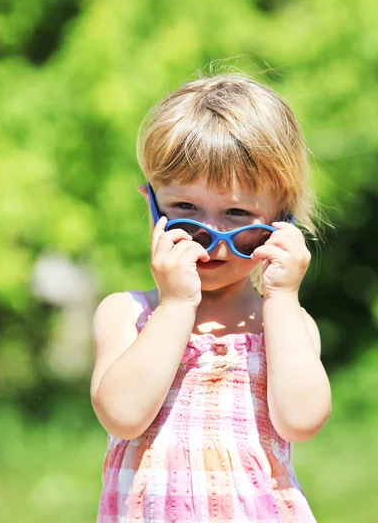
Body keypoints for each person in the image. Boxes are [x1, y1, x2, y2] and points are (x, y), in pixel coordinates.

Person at [91, 73, 332, 522]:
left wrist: (281, 297)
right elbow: (122, 416)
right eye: (184, 210)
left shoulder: (285, 323)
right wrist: (177, 305)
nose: (209, 237)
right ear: (150, 202)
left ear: (282, 225)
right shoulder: (128, 314)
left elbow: (301, 421)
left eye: (238, 215)